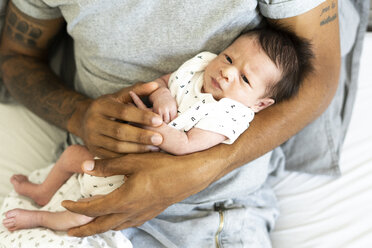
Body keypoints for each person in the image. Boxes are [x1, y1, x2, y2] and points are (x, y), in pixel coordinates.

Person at [0, 0, 355, 247]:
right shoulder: (201, 66)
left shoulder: (228, 115)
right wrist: (79, 114)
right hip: (93, 179)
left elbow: (318, 74)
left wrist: (200, 168)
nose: (227, 71)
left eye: (244, 79)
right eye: (229, 58)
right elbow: (16, 55)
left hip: (208, 210)